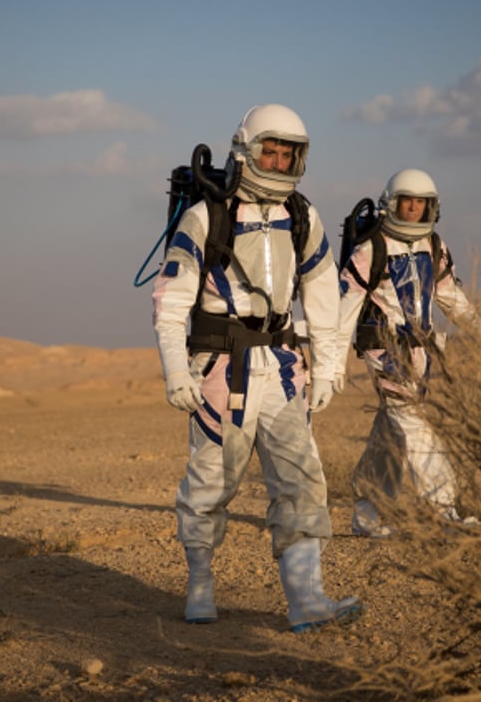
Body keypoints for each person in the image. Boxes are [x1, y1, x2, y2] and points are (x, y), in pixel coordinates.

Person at [152, 103, 361, 633]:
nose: (279, 159)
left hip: (285, 367)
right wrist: (176, 369)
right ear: (245, 147)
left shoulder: (302, 217)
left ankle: (308, 601)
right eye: (271, 148)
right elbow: (172, 298)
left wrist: (330, 366)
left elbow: (321, 293)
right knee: (210, 483)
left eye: (289, 152)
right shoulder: (207, 215)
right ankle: (200, 586)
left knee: (302, 480)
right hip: (221, 368)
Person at [334, 168, 481, 538]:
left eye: (421, 203)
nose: (413, 209)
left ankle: (367, 510)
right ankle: (444, 511)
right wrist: (331, 364)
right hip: (384, 350)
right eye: (406, 201)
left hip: (420, 353)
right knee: (416, 426)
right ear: (390, 204)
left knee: (392, 432)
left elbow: (451, 299)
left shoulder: (434, 246)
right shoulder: (370, 249)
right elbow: (344, 311)